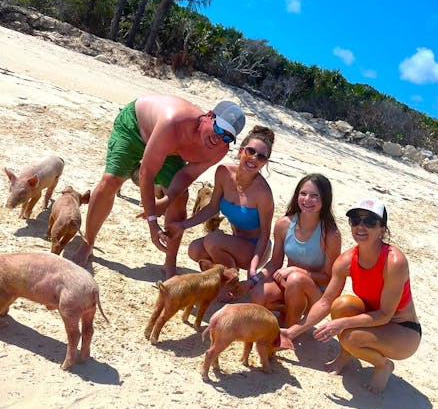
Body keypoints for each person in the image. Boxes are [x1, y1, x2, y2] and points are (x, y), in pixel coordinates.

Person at [72, 95, 245, 278]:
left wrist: (166, 200)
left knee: (180, 198)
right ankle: (87, 243)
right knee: (111, 181)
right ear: (209, 116)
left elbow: (186, 175)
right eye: (218, 128)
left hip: (170, 149)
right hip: (136, 128)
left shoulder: (218, 149)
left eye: (227, 136)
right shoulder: (174, 121)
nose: (218, 138)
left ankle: (169, 262)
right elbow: (147, 173)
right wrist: (153, 222)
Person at [283, 197, 421, 393]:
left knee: (349, 337)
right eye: (355, 221)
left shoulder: (394, 262)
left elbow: (385, 315)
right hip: (373, 319)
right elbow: (326, 301)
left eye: (369, 222)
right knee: (341, 304)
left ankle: (383, 365)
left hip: (403, 330)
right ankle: (345, 356)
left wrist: (342, 324)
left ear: (382, 229)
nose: (360, 226)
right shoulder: (346, 260)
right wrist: (292, 332)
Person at [166, 125, 275, 278]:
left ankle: (230, 281)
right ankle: (224, 277)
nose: (254, 158)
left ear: (264, 163)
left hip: (255, 248)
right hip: (234, 241)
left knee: (212, 240)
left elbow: (265, 235)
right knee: (195, 250)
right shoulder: (223, 172)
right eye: (251, 151)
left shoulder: (263, 193)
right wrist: (182, 225)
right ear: (240, 151)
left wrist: (253, 268)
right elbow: (212, 207)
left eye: (261, 157)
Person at [245, 173, 341, 327]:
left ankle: (289, 329)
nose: (307, 199)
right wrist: (252, 281)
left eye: (314, 195)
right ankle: (284, 312)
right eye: (303, 194)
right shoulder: (283, 224)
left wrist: (297, 271)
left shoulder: (330, 234)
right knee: (258, 293)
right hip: (287, 283)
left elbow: (329, 278)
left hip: (315, 293)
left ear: (325, 199)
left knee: (296, 279)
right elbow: (275, 262)